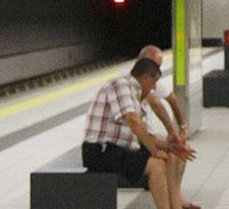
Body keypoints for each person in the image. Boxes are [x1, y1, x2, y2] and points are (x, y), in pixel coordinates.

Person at [82, 58, 196, 209]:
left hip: (118, 149)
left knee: (171, 155)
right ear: (145, 77)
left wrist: (172, 146)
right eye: (153, 83)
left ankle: (176, 205)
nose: (153, 88)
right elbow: (133, 120)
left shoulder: (135, 96)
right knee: (157, 165)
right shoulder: (121, 85)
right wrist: (154, 151)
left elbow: (145, 135)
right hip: (100, 151)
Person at [138, 45, 199, 209]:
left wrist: (183, 126)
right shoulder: (137, 80)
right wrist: (173, 132)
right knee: (173, 151)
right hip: (137, 138)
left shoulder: (152, 79)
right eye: (155, 65)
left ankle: (176, 197)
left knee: (181, 147)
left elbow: (171, 98)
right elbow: (156, 103)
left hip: (147, 134)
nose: (157, 71)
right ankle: (174, 203)